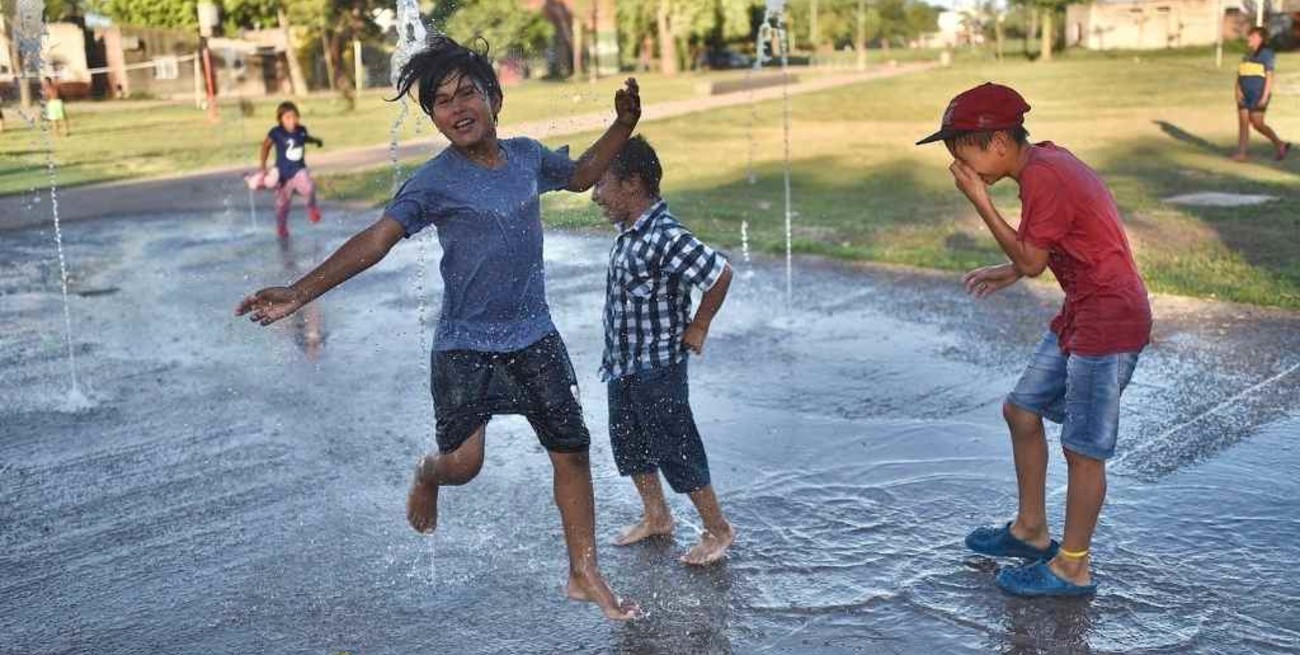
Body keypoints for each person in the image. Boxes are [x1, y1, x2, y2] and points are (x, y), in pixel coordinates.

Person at [235, 35, 643, 620]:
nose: (457, 108)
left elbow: (579, 176)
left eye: (467, 93)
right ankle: (427, 472)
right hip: (464, 347)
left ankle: (584, 572)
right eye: (442, 102)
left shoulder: (527, 157)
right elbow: (377, 240)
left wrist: (623, 125)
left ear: (494, 98)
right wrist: (300, 292)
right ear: (433, 117)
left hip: (534, 336)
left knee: (572, 452)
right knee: (463, 465)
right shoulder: (434, 182)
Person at [916, 83, 1152, 597]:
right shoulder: (1043, 164)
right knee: (1022, 410)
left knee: (1084, 450)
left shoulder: (1044, 176)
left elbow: (1032, 259)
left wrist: (980, 202)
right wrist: (1013, 270)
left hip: (1108, 321)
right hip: (1082, 312)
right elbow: (1048, 249)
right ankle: (1030, 530)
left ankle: (1073, 567)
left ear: (997, 142)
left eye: (963, 152)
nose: (960, 164)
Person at [590, 135, 737, 566]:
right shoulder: (631, 233)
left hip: (658, 367)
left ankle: (718, 528)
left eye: (602, 184)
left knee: (676, 445)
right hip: (623, 365)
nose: (596, 195)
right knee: (629, 441)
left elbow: (719, 273)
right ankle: (657, 515)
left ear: (632, 184)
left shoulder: (665, 236)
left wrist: (699, 325)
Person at [259, 101, 324, 239]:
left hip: (298, 170)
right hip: (282, 174)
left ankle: (312, 208)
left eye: (295, 116)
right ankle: (281, 230)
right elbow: (265, 147)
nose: (292, 120)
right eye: (287, 118)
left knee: (308, 187)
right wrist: (263, 166)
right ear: (280, 119)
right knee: (282, 205)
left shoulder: (301, 130)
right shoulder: (276, 132)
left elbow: (306, 138)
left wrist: (317, 141)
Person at [1232, 27, 1290, 162]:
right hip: (1243, 94)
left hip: (1258, 94)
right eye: (1249, 36)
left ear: (1260, 38)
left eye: (1252, 36)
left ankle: (1279, 144)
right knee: (1243, 123)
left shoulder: (1267, 54)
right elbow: (1240, 74)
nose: (1249, 38)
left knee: (1257, 123)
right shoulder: (1246, 55)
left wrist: (1264, 97)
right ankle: (1241, 153)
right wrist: (1238, 90)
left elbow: (1270, 76)